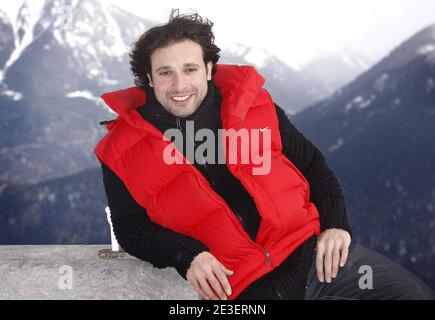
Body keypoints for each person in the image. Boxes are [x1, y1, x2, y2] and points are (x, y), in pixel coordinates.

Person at [94, 9, 433, 300]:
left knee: (410, 295)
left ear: (209, 69)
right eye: (166, 73)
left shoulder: (255, 104)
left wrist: (334, 224)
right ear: (149, 79)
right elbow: (130, 227)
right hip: (237, 286)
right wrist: (187, 255)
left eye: (190, 69)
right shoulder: (122, 150)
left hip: (313, 259)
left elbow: (313, 164)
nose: (179, 84)